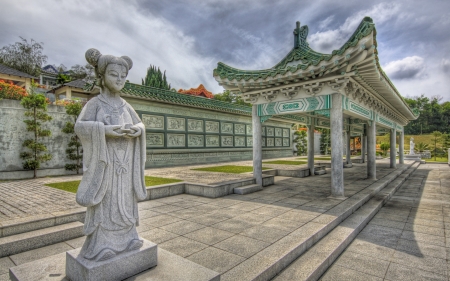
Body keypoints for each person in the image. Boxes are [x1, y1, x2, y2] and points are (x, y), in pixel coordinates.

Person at [74, 49, 147, 262]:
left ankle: (130, 238)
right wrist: (103, 130)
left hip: (125, 166)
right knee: (106, 205)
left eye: (123, 76)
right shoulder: (95, 104)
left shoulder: (126, 105)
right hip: (106, 166)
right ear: (102, 77)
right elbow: (80, 126)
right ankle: (101, 246)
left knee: (124, 203)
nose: (120, 79)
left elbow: (140, 123)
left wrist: (139, 130)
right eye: (114, 75)